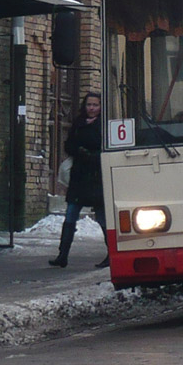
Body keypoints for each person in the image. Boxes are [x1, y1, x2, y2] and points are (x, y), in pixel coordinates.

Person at [49, 92, 108, 269]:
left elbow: (107, 148)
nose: (91, 108)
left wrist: (93, 155)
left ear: (100, 107)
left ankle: (111, 254)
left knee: (103, 218)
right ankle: (62, 255)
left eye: (95, 105)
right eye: (89, 104)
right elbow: (68, 145)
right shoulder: (78, 122)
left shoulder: (103, 125)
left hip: (97, 177)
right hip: (79, 177)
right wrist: (78, 151)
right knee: (70, 215)